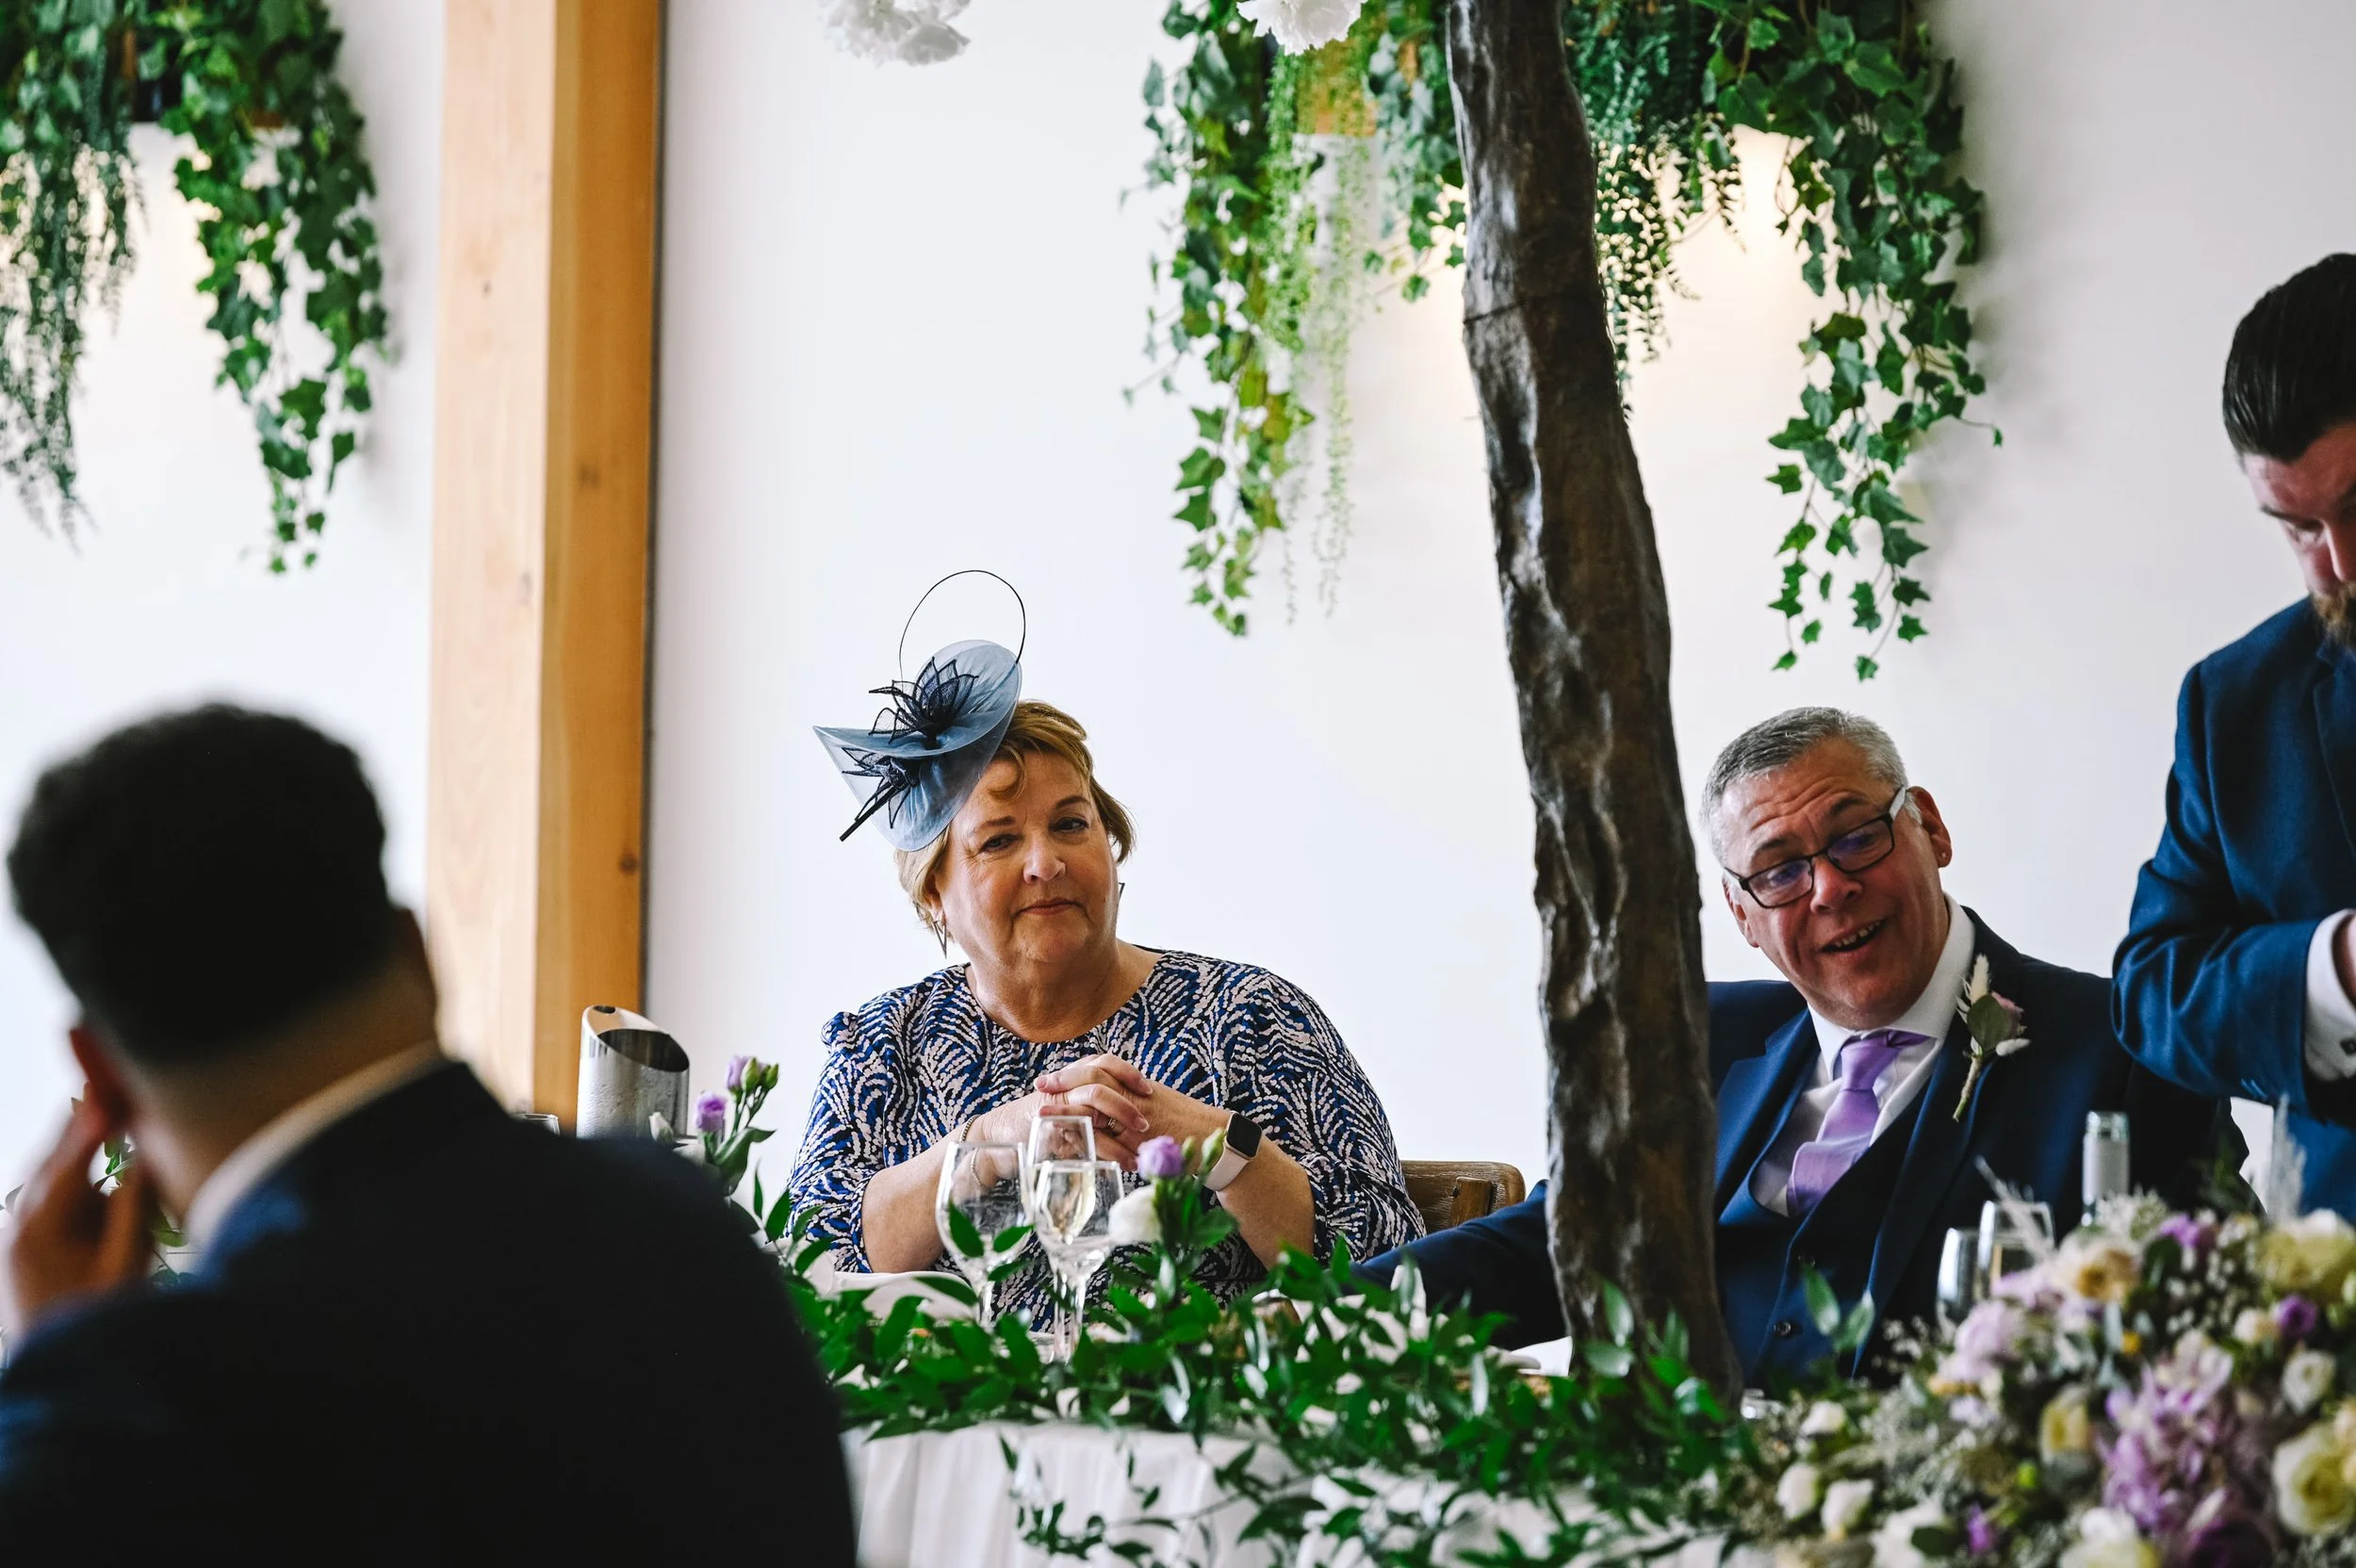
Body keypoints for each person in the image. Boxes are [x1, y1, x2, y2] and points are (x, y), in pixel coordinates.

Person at [0, 706, 854, 1562]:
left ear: (97, 1072)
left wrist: (65, 1361)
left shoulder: (138, 1413)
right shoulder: (682, 1222)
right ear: (418, 950)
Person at [1364, 709, 2225, 1384]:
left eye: (1857, 837)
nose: (1830, 888)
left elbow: (2212, 1320)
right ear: (1742, 915)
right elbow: (1559, 1240)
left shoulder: (2128, 1046)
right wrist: (1325, 1314)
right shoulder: (1694, 1042)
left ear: (1929, 828)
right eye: (1779, 870)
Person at [794, 642, 1420, 1324]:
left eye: (1070, 824)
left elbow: (1395, 1269)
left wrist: (1223, 1147)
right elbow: (802, 1273)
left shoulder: (1253, 1019)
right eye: (998, 840)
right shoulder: (883, 1045)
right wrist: (986, 1148)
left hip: (1198, 1392)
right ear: (934, 894)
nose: (1046, 863)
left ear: (1111, 848)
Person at [2117, 254, 2356, 1215]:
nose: (2339, 565)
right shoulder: (2235, 705)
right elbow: (2150, 988)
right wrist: (2334, 971)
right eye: (2298, 528)